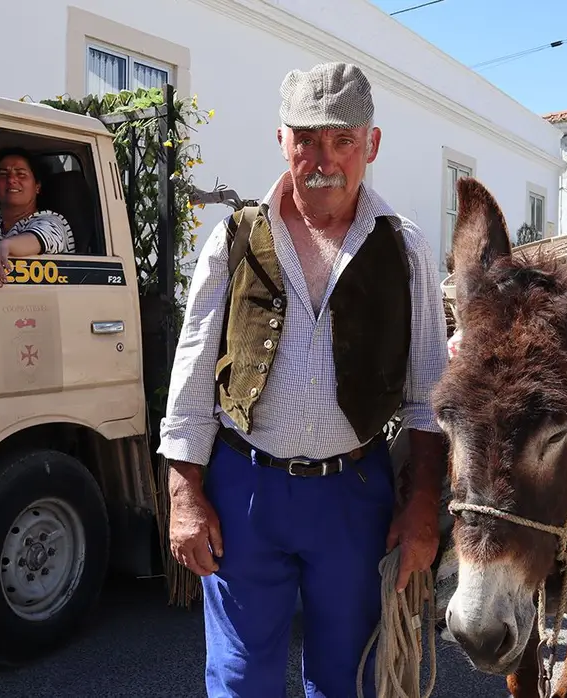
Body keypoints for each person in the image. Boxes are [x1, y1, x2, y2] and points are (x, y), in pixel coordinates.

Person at [159, 61, 448, 697]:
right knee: (239, 676)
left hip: (354, 493)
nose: (325, 159)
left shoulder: (405, 249)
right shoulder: (234, 237)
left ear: (370, 145)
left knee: (348, 676)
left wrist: (424, 503)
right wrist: (185, 494)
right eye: (308, 139)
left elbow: (430, 391)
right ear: (283, 139)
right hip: (244, 492)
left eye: (343, 140)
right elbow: (193, 369)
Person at [0, 146, 75, 287]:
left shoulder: (52, 221)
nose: (11, 180)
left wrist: (5, 246)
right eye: (3, 174)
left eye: (21, 174)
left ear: (37, 186)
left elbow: (42, 237)